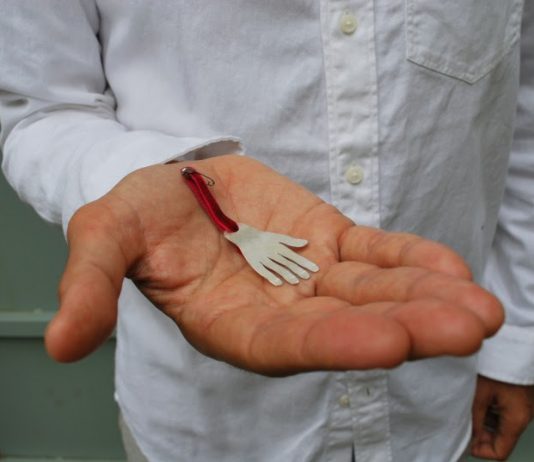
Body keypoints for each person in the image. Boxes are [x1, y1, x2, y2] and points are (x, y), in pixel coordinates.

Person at [1, 1, 533, 461]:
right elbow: (37, 108)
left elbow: (523, 103)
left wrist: (515, 344)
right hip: (205, 421)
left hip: (437, 392)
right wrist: (135, 179)